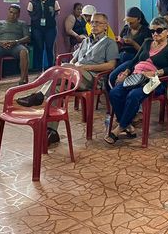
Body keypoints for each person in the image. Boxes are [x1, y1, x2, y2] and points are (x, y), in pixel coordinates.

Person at [17, 13, 119, 144]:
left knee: (63, 67)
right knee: (56, 90)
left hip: (92, 78)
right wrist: (72, 68)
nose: (94, 25)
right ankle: (51, 132)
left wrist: (85, 67)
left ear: (105, 26)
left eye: (98, 23)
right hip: (74, 75)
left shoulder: (109, 43)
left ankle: (39, 95)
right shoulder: (85, 41)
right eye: (92, 22)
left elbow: (111, 65)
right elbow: (73, 60)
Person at [106, 16, 168, 145]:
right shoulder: (147, 42)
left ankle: (119, 128)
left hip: (155, 81)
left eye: (159, 30)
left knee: (134, 95)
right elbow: (134, 60)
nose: (155, 33)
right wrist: (126, 72)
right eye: (152, 31)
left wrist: (155, 73)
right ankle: (127, 124)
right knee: (114, 92)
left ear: (167, 31)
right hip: (136, 76)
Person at [0, 4, 30, 91]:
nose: (12, 15)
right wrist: (0, 43)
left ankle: (22, 80)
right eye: (11, 12)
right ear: (8, 12)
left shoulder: (22, 24)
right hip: (0, 46)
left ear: (18, 14)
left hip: (16, 46)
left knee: (24, 52)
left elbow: (27, 38)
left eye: (15, 13)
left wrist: (16, 42)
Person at [108, 7, 152, 87]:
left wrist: (133, 43)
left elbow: (145, 53)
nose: (129, 24)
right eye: (127, 22)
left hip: (133, 57)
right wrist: (119, 42)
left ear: (139, 20)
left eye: (131, 23)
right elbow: (120, 40)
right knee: (108, 72)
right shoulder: (126, 28)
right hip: (121, 54)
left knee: (113, 76)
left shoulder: (146, 31)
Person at [27, 0, 60, 72]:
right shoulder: (33, 2)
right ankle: (39, 71)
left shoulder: (53, 1)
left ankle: (51, 70)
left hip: (50, 28)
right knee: (39, 48)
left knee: (50, 48)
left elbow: (57, 12)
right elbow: (30, 13)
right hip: (37, 29)